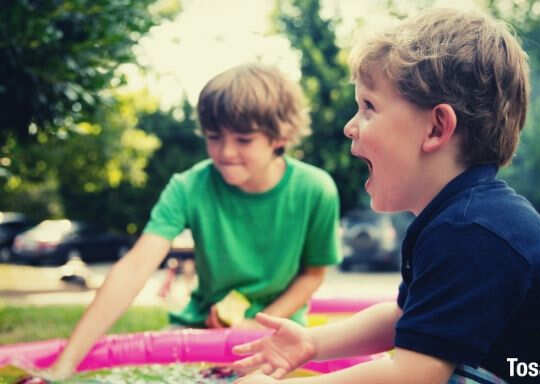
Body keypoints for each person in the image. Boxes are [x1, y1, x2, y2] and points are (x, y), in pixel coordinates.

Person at [230, 9, 540, 384]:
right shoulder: (459, 218)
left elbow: (414, 375)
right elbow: (406, 317)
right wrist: (312, 342)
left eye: (368, 107)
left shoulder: (472, 230)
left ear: (437, 127)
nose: (349, 127)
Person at [40, 63, 341, 379]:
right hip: (201, 327)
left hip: (279, 332)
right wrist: (63, 366)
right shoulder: (188, 187)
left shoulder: (315, 189)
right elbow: (134, 268)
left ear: (279, 136)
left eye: (244, 139)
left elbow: (313, 274)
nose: (225, 152)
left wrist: (256, 323)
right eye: (214, 137)